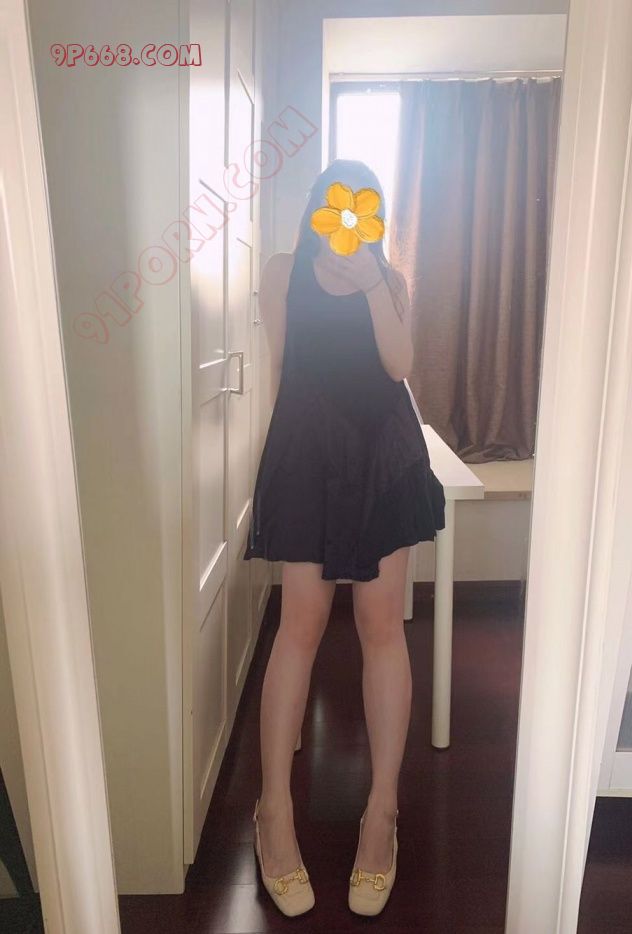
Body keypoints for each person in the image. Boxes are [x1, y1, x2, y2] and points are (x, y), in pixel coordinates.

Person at [244, 158, 446, 917]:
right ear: (318, 208)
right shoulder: (280, 270)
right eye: (338, 205)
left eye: (364, 209)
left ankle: (381, 814)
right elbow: (283, 366)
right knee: (298, 625)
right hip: (309, 451)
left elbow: (399, 366)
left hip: (383, 457)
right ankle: (273, 812)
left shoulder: (388, 281)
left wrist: (370, 285)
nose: (349, 221)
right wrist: (283, 461)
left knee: (381, 625)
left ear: (376, 218)